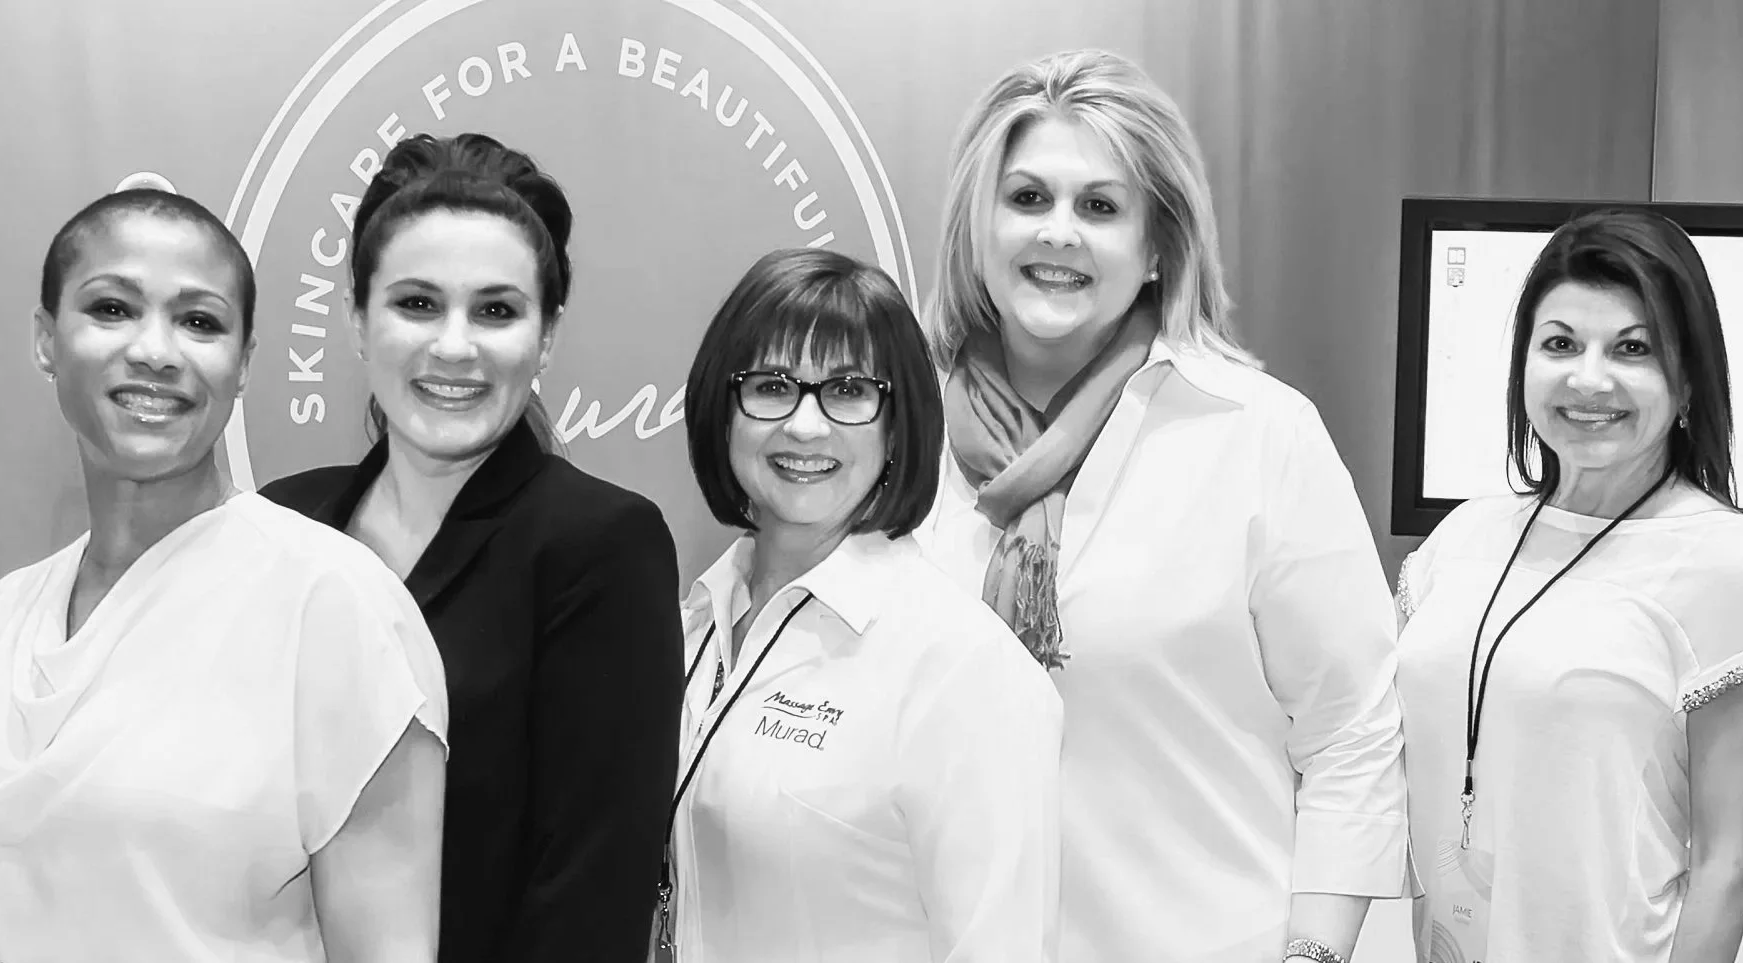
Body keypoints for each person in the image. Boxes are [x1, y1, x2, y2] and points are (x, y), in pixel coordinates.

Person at [916, 49, 1404, 963]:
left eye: (1099, 207)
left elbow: (1356, 730)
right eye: (1026, 198)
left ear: (1156, 246)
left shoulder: (1257, 432)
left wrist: (1317, 954)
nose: (1058, 232)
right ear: (975, 226)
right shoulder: (897, 440)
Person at [0, 189, 447, 962]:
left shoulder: (333, 607)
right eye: (112, 309)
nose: (157, 351)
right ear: (45, 339)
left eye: (200, 321)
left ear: (245, 363)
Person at [260, 132, 683, 961]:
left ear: (548, 335)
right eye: (417, 303)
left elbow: (590, 904)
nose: (454, 346)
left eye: (496, 309)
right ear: (356, 317)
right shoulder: (282, 525)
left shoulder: (601, 548)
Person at [1395, 209, 1743, 963]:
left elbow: (1726, 863)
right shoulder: (1463, 539)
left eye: (1633, 348)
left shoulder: (1722, 561)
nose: (1589, 378)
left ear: (1685, 384)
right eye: (1560, 343)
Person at [659, 247, 1061, 961]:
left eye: (847, 391)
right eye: (773, 385)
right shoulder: (692, 621)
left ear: (896, 427)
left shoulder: (962, 667)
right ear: (723, 414)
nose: (806, 426)